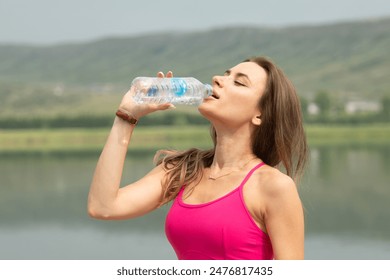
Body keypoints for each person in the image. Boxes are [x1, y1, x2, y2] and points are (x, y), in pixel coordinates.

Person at [88, 56, 309, 260]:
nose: (217, 79)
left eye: (239, 82)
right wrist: (126, 116)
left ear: (260, 115)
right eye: (225, 74)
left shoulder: (273, 187)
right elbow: (103, 206)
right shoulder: (184, 171)